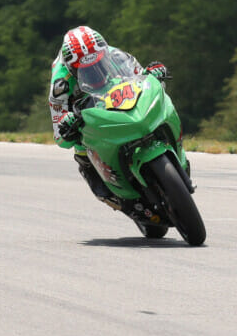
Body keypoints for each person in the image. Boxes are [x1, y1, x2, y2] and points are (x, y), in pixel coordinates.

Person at [48, 26, 170, 205]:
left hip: (117, 95)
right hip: (85, 110)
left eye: (99, 64)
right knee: (83, 150)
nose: (94, 72)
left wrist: (153, 74)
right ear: (71, 68)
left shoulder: (117, 56)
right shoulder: (61, 85)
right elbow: (60, 139)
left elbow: (144, 82)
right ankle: (113, 193)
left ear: (104, 53)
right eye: (85, 70)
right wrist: (67, 125)